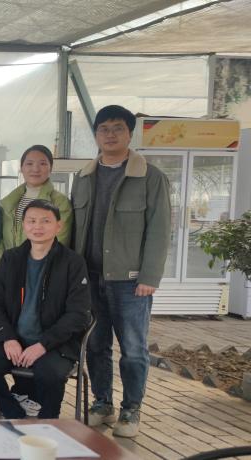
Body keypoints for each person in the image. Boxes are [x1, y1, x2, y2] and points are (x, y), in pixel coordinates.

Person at [72, 105, 170, 438]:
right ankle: (103, 403)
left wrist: (149, 277)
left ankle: (131, 409)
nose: (110, 135)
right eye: (104, 129)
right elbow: (74, 229)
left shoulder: (150, 177)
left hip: (130, 281)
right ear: (96, 135)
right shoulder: (83, 177)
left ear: (130, 133)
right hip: (90, 278)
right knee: (96, 344)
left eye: (118, 128)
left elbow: (160, 230)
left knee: (133, 348)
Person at [0, 200, 92, 420]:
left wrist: (43, 345)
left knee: (50, 373)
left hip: (55, 344)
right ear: (23, 225)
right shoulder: (11, 258)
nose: (38, 226)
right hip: (16, 339)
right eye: (32, 221)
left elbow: (78, 314)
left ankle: (49, 421)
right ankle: (13, 413)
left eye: (45, 221)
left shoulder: (73, 263)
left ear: (58, 226)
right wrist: (8, 338)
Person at [0, 144, 73, 416]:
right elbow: (0, 240)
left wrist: (38, 260)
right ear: (21, 167)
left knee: (44, 356)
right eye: (29, 163)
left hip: (46, 273)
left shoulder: (60, 202)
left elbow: (57, 242)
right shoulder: (10, 201)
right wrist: (8, 267)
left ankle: (43, 413)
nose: (35, 168)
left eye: (42, 163)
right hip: (14, 272)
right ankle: (18, 406)